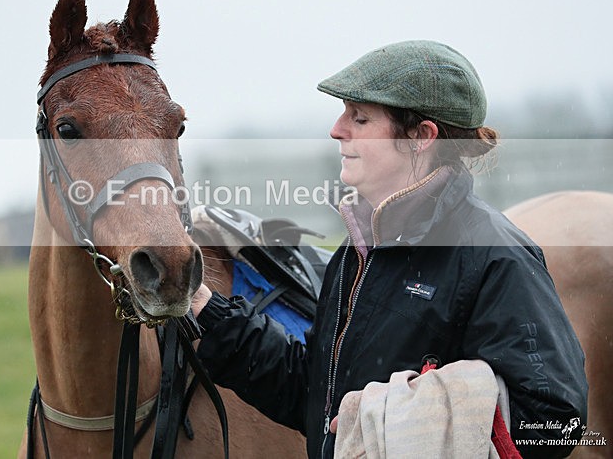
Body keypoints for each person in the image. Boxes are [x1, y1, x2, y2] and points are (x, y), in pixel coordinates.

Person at [190, 41, 587, 458]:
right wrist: (206, 309)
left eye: (359, 118)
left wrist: (398, 422)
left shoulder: (494, 255)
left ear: (421, 137)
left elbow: (556, 421)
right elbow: (315, 395)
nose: (336, 129)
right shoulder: (359, 250)